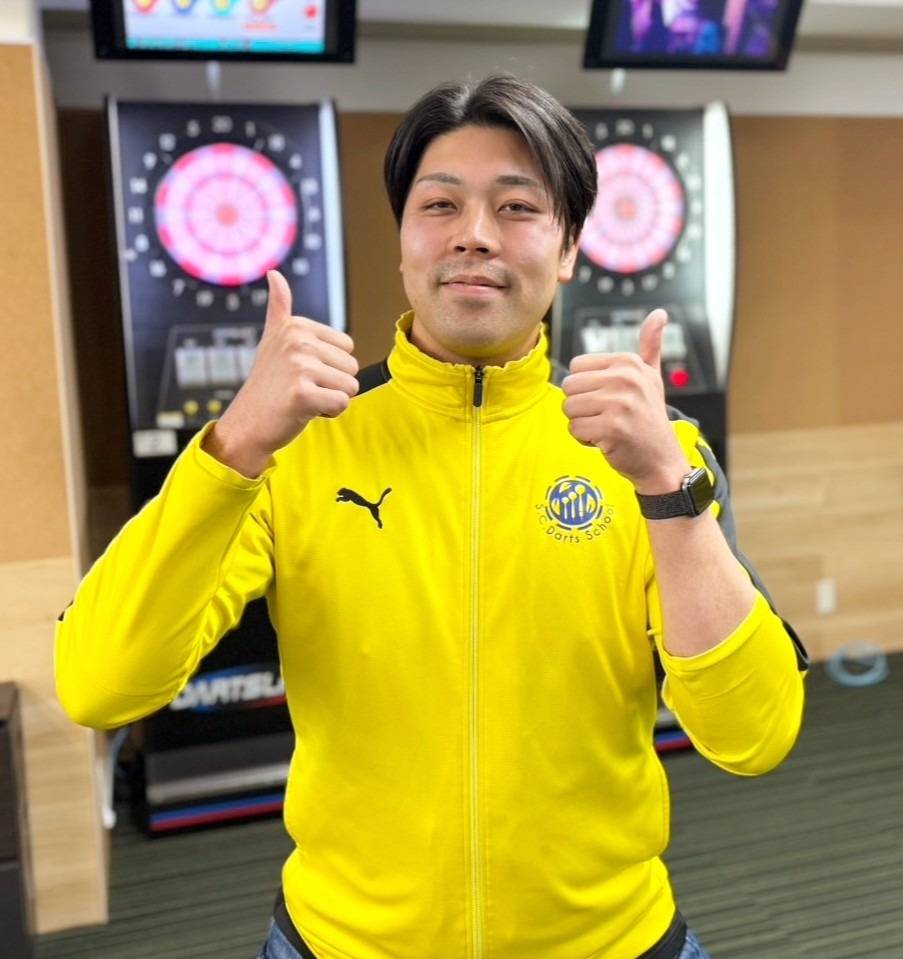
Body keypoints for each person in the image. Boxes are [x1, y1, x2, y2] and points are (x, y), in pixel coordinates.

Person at [55, 74, 807, 959]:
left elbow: (754, 735)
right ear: (404, 241)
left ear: (569, 247)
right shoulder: (296, 445)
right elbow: (98, 683)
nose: (473, 234)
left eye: (517, 207)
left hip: (612, 939)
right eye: (439, 204)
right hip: (341, 942)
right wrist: (234, 444)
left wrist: (664, 487)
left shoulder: (654, 449)